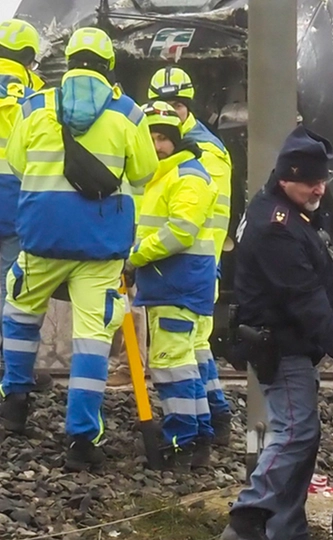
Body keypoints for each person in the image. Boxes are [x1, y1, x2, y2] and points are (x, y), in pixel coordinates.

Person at [0, 27, 158, 471]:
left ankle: (14, 401)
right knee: (91, 337)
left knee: (21, 312)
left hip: (41, 238)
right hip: (100, 247)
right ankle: (81, 439)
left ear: (67, 62)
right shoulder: (128, 113)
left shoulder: (34, 106)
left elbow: (15, 160)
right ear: (109, 66)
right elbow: (145, 171)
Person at [214, 125, 333, 540]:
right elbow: (306, 303)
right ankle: (245, 521)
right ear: (287, 177)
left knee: (305, 433)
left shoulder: (289, 213)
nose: (321, 187)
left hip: (289, 344)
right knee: (294, 432)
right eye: (311, 181)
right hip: (280, 346)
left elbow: (313, 276)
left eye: (323, 179)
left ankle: (287, 533)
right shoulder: (275, 226)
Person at [128, 101, 218, 470]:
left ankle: (180, 442)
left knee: (169, 365)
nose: (155, 144)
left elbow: (180, 232)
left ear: (177, 140)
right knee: (183, 364)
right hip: (175, 283)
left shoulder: (187, 176)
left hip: (177, 283)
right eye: (149, 136)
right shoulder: (167, 174)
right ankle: (197, 438)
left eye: (163, 137)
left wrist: (135, 257)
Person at [147, 65, 234, 445]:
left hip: (192, 264)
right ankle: (214, 418)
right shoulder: (178, 145)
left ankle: (194, 433)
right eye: (163, 103)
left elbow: (193, 217)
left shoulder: (202, 152)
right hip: (191, 264)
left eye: (177, 105)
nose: (170, 110)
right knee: (193, 349)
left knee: (180, 353)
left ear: (188, 106)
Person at [0, 19, 50, 393]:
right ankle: (13, 368)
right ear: (31, 58)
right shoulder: (33, 91)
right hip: (15, 195)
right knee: (13, 285)